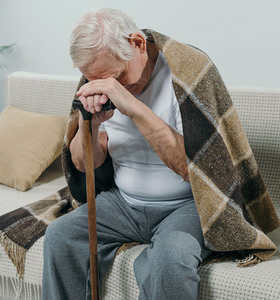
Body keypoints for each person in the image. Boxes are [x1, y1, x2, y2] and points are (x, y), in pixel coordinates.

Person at [42, 8, 212, 300]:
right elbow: (84, 165)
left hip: (186, 205)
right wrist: (90, 127)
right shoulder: (97, 78)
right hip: (122, 203)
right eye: (96, 80)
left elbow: (195, 168)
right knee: (60, 237)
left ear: (138, 44)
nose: (110, 89)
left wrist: (132, 107)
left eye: (117, 77)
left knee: (170, 259)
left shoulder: (186, 71)